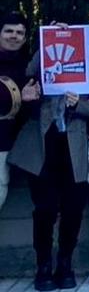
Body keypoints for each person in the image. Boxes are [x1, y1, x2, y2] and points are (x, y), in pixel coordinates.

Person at [12, 44, 89, 291]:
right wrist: (44, 43)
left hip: (74, 150)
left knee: (73, 209)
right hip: (44, 149)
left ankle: (65, 262)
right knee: (45, 210)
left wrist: (77, 104)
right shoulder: (36, 78)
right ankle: (43, 265)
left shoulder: (86, 74)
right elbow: (28, 71)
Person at [0, 12, 36, 215]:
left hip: (4, 141)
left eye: (19, 32)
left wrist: (27, 101)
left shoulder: (27, 67)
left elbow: (27, 114)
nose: (14, 36)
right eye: (8, 31)